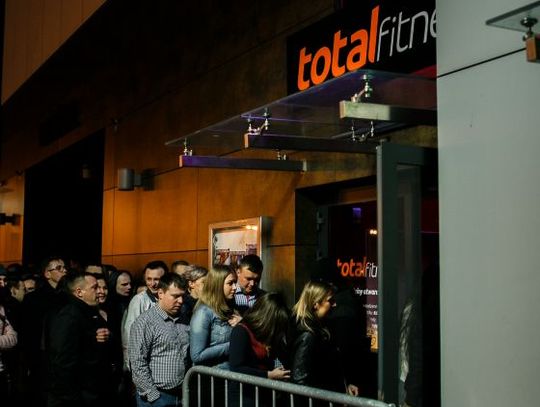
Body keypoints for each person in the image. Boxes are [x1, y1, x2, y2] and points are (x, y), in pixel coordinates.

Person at [46, 271, 113, 407]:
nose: (100, 292)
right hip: (78, 396)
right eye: (94, 287)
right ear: (79, 292)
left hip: (92, 391)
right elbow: (63, 361)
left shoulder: (89, 312)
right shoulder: (69, 316)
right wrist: (74, 398)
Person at [288, 280, 358, 399]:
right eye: (330, 300)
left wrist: (344, 386)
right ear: (316, 304)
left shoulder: (323, 327)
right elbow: (300, 380)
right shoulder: (307, 335)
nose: (334, 304)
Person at [128, 273, 190, 407]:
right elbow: (137, 362)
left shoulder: (184, 318)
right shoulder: (145, 322)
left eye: (182, 296)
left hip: (182, 394)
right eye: (175, 296)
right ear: (161, 293)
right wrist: (153, 396)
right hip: (157, 398)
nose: (180, 301)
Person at [229, 293, 291, 406]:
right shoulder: (241, 332)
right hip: (244, 397)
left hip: (262, 394)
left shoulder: (266, 334)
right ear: (266, 318)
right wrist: (268, 375)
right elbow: (236, 368)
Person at [189, 265, 241, 368]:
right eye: (230, 283)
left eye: (235, 282)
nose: (235, 287)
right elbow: (197, 355)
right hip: (214, 374)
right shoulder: (203, 312)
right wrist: (233, 345)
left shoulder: (232, 307)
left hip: (232, 372)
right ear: (218, 284)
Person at [122, 261, 166, 370]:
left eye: (156, 279)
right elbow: (129, 333)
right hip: (144, 362)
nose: (152, 283)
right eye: (149, 279)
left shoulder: (168, 298)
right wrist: (130, 364)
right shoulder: (139, 300)